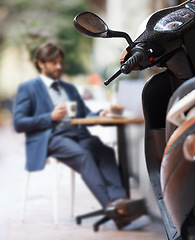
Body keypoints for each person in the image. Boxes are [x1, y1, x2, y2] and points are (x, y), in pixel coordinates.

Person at [13, 42, 139, 229]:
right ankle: (112, 209)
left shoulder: (69, 88)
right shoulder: (28, 88)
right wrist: (50, 116)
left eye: (60, 62)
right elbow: (19, 122)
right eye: (53, 63)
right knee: (83, 156)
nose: (59, 67)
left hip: (77, 134)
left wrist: (99, 114)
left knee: (104, 151)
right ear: (41, 64)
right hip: (51, 137)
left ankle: (120, 200)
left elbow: (84, 114)